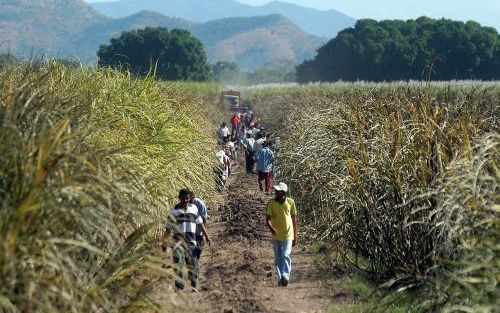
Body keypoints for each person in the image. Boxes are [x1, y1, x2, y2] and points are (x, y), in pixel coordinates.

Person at [165, 189, 211, 292]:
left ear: (189, 198)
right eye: (183, 198)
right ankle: (179, 287)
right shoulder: (174, 211)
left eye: (187, 198)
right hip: (177, 242)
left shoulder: (194, 208)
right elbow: (168, 228)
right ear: (179, 198)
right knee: (178, 263)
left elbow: (200, 223)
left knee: (193, 264)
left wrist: (206, 236)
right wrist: (164, 241)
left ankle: (194, 284)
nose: (185, 200)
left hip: (191, 241)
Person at [266, 182, 297, 287]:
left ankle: (285, 276)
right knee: (278, 257)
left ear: (283, 193)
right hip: (276, 236)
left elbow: (294, 219)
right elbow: (268, 219)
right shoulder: (271, 203)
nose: (276, 192)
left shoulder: (291, 202)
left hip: (288, 234)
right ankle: (280, 278)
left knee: (285, 254)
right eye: (276, 191)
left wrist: (295, 236)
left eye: (278, 191)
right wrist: (271, 229)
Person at [189, 191, 208, 265]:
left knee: (197, 253)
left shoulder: (199, 204)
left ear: (193, 197)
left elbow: (204, 219)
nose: (188, 201)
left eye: (190, 199)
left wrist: (204, 235)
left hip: (198, 232)